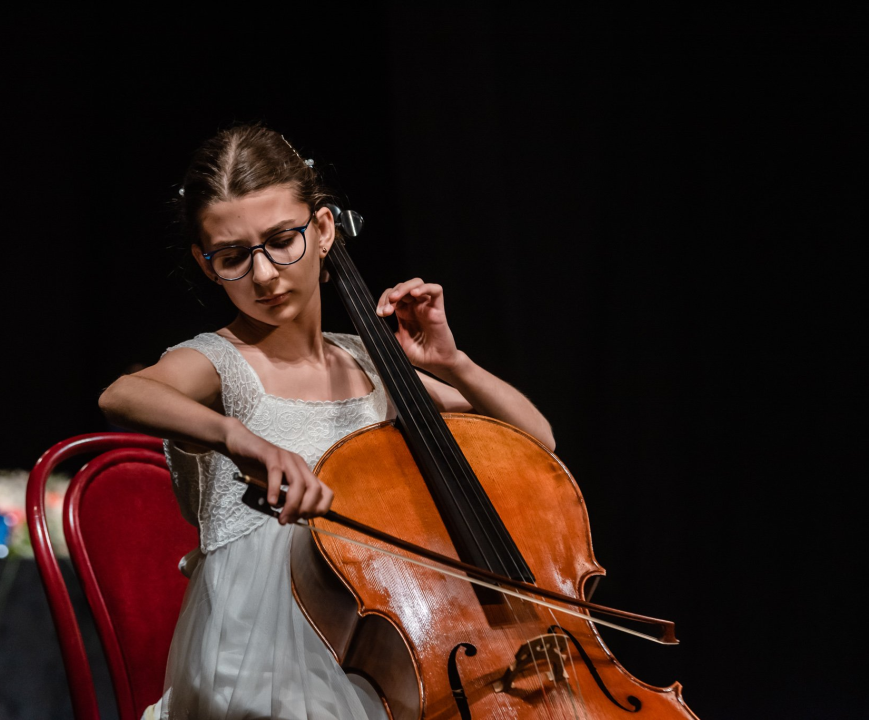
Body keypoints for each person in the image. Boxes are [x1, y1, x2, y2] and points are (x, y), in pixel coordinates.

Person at [98, 124, 555, 719]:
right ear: (205, 265)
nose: (264, 275)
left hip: (384, 644)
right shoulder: (219, 363)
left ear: (322, 229)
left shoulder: (370, 363)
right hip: (256, 659)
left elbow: (534, 442)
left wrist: (453, 364)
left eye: (281, 241)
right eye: (233, 257)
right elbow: (122, 395)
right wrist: (237, 437)